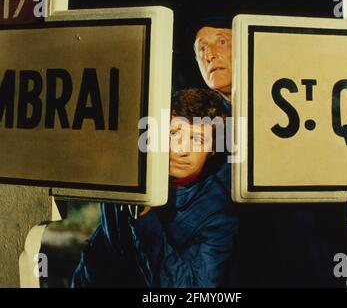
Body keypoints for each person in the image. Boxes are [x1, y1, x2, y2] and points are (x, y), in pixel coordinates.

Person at [192, 22, 347, 287]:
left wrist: (345, 261)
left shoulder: (297, 108)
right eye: (200, 50)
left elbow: (333, 198)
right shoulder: (192, 132)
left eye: (221, 41)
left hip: (310, 265)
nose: (209, 54)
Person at [71, 88, 239, 288]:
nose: (181, 149)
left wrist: (146, 219)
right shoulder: (129, 174)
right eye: (174, 133)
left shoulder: (217, 215)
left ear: (212, 150)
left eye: (197, 139)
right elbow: (105, 247)